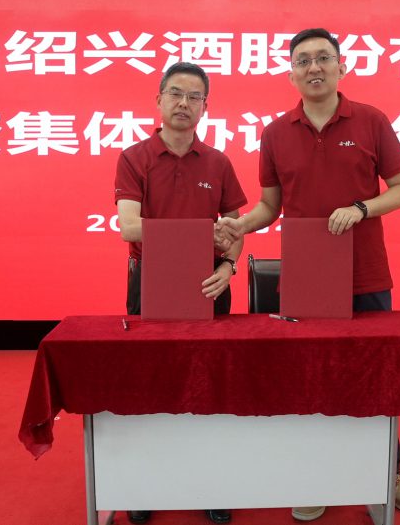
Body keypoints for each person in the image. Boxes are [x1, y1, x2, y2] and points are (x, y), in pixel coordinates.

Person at [215, 28, 400, 520]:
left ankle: (389, 474)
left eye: (323, 58)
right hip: (308, 273)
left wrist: (361, 208)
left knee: (377, 378)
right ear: (291, 72)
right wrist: (240, 225)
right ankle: (317, 476)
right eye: (303, 61)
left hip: (365, 272)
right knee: (312, 378)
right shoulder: (275, 133)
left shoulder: (371, 120)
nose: (313, 67)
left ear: (341, 66)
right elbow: (269, 206)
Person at [114, 61, 247, 524]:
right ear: (159, 99)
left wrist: (229, 266)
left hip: (209, 283)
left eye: (194, 97)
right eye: (175, 93)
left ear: (205, 107)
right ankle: (148, 484)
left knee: (212, 387)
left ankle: (209, 482)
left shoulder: (218, 162)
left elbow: (234, 229)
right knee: (152, 384)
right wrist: (199, 234)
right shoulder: (134, 157)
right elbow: (128, 227)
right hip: (151, 280)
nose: (184, 103)